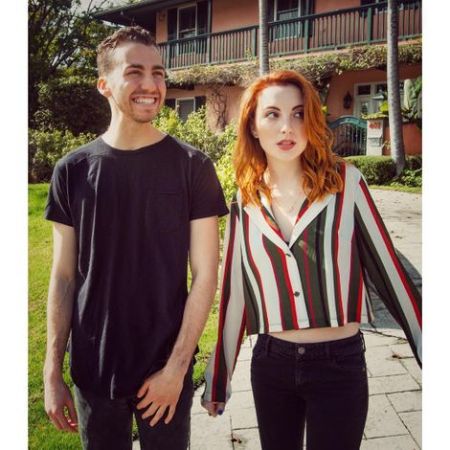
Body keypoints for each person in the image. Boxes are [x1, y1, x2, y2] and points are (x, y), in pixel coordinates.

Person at [201, 70, 421, 450]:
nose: (287, 126)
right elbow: (235, 292)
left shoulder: (346, 182)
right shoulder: (245, 199)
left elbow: (389, 272)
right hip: (271, 365)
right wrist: (219, 376)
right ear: (253, 126)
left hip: (339, 365)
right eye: (272, 114)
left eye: (299, 113)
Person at [43, 26, 228, 450]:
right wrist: (52, 371)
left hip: (164, 370)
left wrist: (176, 370)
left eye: (158, 73)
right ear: (104, 85)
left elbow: (205, 275)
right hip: (93, 370)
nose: (151, 84)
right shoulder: (71, 171)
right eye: (135, 72)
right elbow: (64, 276)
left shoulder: (192, 166)